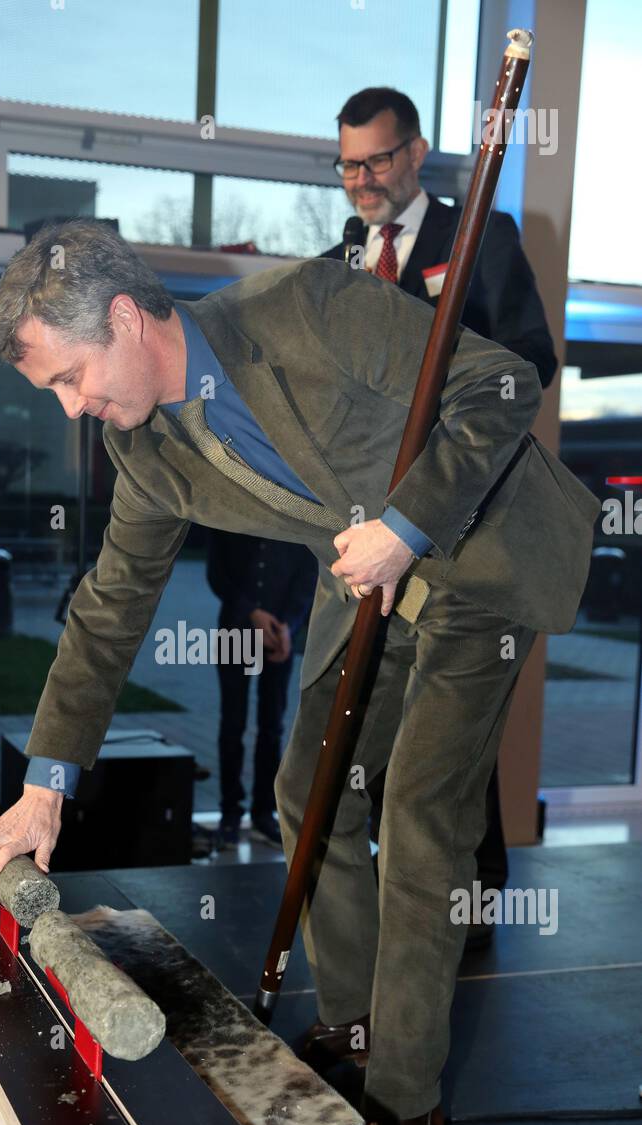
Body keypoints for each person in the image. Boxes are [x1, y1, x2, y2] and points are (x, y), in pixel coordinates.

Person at [0, 220, 598, 1125]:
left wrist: (408, 524)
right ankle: (352, 1026)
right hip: (366, 586)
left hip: (478, 559)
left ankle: (405, 1095)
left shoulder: (308, 306)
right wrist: (41, 786)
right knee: (308, 792)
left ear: (128, 319)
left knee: (423, 812)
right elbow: (109, 610)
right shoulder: (145, 452)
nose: (71, 408)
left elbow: (501, 384)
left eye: (69, 378)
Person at [323, 87, 558, 908]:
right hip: (372, 525)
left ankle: (477, 887)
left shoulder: (479, 235)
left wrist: (445, 359)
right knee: (380, 714)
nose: (361, 180)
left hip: (463, 526)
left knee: (454, 726)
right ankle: (407, 884)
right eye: (348, 164)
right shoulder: (341, 261)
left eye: (377, 160)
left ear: (417, 154)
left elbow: (533, 361)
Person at [206, 531, 316, 848]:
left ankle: (264, 813)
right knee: (232, 725)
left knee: (272, 727)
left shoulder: (295, 518)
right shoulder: (230, 521)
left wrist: (288, 628)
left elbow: (308, 576)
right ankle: (229, 813)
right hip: (235, 633)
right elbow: (217, 575)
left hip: (279, 639)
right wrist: (252, 612)